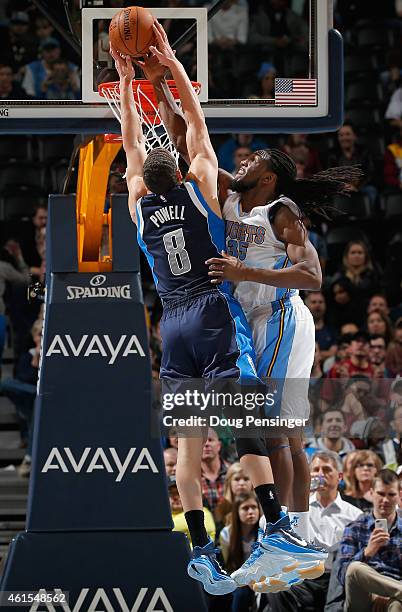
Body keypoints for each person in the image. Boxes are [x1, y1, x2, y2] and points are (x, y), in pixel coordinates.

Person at [112, 23, 307, 595]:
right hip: (211, 312)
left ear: (144, 178)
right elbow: (195, 125)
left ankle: (200, 551)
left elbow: (128, 143)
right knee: (245, 419)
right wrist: (167, 63)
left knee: (188, 447)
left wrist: (125, 88)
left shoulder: (138, 205)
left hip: (170, 324)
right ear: (178, 165)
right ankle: (275, 526)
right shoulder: (198, 186)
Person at [260, 451, 362, 609]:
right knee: (275, 587)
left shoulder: (355, 515)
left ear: (340, 476)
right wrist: (300, 495)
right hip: (303, 578)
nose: (320, 475)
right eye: (315, 470)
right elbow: (264, 522)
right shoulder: (297, 508)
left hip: (336, 579)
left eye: (327, 470)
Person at [338, 469, 402, 612]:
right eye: (380, 493)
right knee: (354, 568)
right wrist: (368, 551)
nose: (385, 500)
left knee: (397, 606)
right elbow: (343, 576)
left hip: (395, 596)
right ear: (372, 493)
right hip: (362, 595)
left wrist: (388, 593)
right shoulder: (354, 528)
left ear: (399, 496)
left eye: (391, 494)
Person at [219, 493, 262, 612]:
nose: (251, 512)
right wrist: (247, 580)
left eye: (254, 507)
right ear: (236, 512)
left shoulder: (265, 532)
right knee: (240, 593)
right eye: (245, 508)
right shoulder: (226, 534)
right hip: (237, 577)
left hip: (262, 576)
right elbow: (229, 566)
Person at [168, 475, 216, 546]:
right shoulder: (164, 516)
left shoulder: (202, 511)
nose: (175, 497)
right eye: (171, 493)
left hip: (199, 556)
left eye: (179, 493)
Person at [201, 428, 228, 515]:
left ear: (219, 445)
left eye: (210, 440)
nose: (206, 444)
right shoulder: (190, 476)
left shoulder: (232, 472)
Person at [304, 290, 337, 361]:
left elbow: (334, 353)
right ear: (306, 306)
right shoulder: (300, 330)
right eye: (313, 302)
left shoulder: (331, 330)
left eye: (320, 302)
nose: (318, 305)